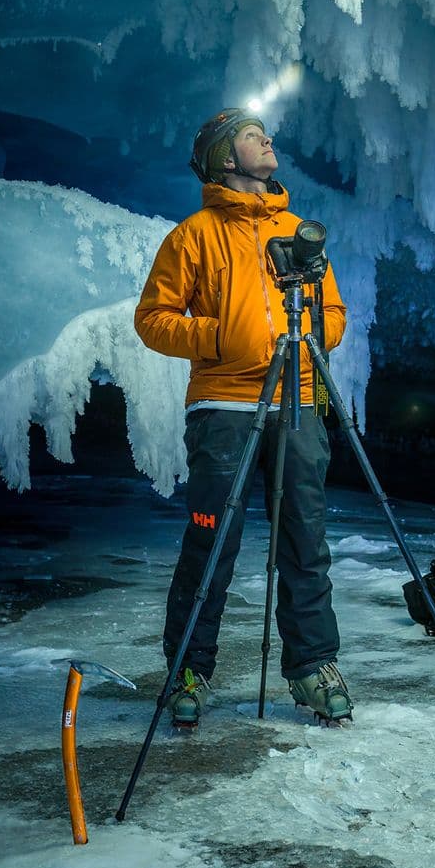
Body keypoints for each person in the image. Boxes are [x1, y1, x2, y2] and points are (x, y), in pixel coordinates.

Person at [134, 107, 353, 729]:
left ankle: (314, 666)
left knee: (305, 540)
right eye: (254, 136)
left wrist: (313, 331)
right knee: (211, 539)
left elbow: (333, 311)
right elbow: (152, 319)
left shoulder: (300, 232)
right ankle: (189, 669)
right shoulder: (193, 236)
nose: (269, 141)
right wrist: (219, 336)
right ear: (227, 159)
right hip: (223, 407)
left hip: (298, 403)